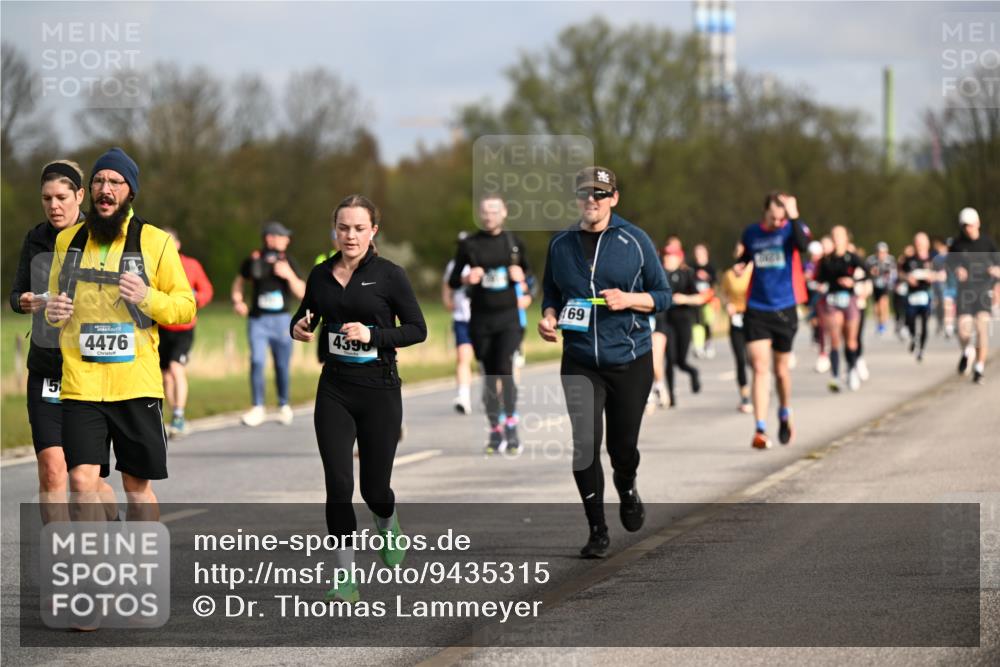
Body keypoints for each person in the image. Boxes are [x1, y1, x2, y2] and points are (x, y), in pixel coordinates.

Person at [44, 147, 195, 522]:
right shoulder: (68, 242)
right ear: (89, 191)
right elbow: (53, 312)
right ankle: (97, 571)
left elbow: (185, 306)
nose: (105, 189)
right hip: (81, 382)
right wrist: (52, 312)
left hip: (136, 384)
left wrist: (147, 296)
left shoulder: (155, 242)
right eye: (98, 181)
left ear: (130, 192)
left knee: (136, 487)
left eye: (115, 181)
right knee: (80, 482)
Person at [290, 194, 426, 602]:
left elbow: (418, 329)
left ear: (373, 232)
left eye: (359, 228)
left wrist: (374, 335)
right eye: (344, 227)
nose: (350, 235)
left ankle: (387, 521)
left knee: (374, 489)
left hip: (380, 390)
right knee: (337, 484)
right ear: (335, 229)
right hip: (334, 388)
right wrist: (298, 327)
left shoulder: (390, 275)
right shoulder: (319, 274)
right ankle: (346, 579)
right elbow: (305, 314)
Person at [538, 166, 670, 558]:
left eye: (599, 194)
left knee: (622, 447)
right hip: (580, 360)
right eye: (584, 194)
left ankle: (626, 486)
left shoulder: (634, 240)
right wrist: (547, 318)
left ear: (614, 198)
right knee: (584, 446)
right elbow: (551, 293)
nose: (591, 201)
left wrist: (629, 300)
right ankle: (597, 529)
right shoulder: (560, 244)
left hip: (629, 358)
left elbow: (663, 295)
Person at [9, 160, 119, 524]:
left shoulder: (100, 236)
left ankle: (112, 535)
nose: (53, 205)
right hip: (45, 368)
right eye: (46, 198)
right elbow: (16, 295)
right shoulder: (35, 238)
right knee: (52, 469)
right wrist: (28, 301)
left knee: (85, 478)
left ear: (79, 196)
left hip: (88, 373)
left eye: (61, 197)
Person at [448, 195, 532, 455]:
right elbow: (452, 281)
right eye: (484, 211)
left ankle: (512, 426)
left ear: (504, 212)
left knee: (505, 367)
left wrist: (524, 282)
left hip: (508, 319)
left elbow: (532, 279)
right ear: (479, 214)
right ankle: (495, 428)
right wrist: (466, 277)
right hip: (481, 320)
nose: (489, 216)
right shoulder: (469, 245)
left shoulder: (514, 243)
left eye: (494, 211)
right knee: (488, 374)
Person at [737, 191, 811, 449]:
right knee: (759, 367)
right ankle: (759, 429)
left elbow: (803, 247)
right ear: (766, 210)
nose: (779, 216)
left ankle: (784, 411)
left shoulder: (792, 229)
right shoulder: (751, 233)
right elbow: (747, 256)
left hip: (784, 308)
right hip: (757, 308)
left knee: (780, 371)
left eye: (784, 211)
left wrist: (794, 215)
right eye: (776, 210)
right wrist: (740, 264)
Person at [232, 221, 305, 426]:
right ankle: (257, 407)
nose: (287, 240)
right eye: (283, 236)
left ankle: (283, 405)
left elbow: (303, 293)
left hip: (282, 321)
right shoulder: (254, 259)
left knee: (282, 364)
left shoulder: (289, 261)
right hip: (258, 321)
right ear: (270, 238)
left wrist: (288, 275)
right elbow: (239, 281)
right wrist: (238, 300)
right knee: (257, 361)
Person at [158, 228, 213, 436]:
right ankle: (177, 416)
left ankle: (179, 416)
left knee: (175, 367)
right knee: (166, 377)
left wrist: (196, 300)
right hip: (161, 327)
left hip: (184, 327)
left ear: (178, 245)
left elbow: (207, 290)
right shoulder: (155, 266)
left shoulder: (191, 265)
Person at [948, 207, 1000, 384]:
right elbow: (949, 264)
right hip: (965, 292)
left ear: (977, 223)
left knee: (981, 329)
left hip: (983, 291)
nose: (967, 229)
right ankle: (967, 351)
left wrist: (996, 271)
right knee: (963, 331)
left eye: (970, 225)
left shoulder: (988, 243)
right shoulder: (957, 244)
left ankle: (979, 367)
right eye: (964, 226)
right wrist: (957, 269)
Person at [816, 226, 867, 391]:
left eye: (840, 235)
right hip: (832, 300)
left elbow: (868, 273)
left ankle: (851, 370)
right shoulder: (826, 259)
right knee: (835, 338)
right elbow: (819, 278)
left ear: (847, 238)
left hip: (849, 299)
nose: (837, 238)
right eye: (834, 236)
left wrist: (853, 281)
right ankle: (835, 376)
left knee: (851, 339)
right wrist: (819, 285)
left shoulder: (852, 257)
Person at [662, 244, 709, 406]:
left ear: (678, 257)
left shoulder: (687, 274)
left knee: (680, 361)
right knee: (669, 359)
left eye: (671, 256)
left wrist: (684, 299)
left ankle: (694, 373)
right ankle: (671, 396)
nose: (667, 259)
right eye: (666, 255)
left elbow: (700, 298)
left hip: (683, 320)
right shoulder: (660, 274)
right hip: (666, 321)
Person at [719, 242, 753, 413]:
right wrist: (728, 305)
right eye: (738, 252)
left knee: (752, 359)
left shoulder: (754, 272)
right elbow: (723, 295)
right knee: (740, 358)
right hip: (736, 319)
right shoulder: (728, 275)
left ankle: (762, 383)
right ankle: (745, 396)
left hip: (754, 318)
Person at [442, 234, 474, 414]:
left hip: (484, 320)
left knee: (490, 363)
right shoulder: (453, 265)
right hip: (462, 318)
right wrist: (447, 300)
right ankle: (463, 396)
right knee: (463, 357)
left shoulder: (483, 261)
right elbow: (447, 285)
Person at [899, 232, 940, 362]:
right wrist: (907, 278)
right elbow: (900, 273)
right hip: (912, 295)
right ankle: (913, 337)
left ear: (927, 244)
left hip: (926, 295)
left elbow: (942, 274)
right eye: (917, 243)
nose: (920, 245)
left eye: (922, 243)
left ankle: (921, 349)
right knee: (910, 320)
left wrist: (932, 277)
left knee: (924, 323)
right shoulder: (910, 259)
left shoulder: (934, 259)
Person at [691, 243, 718, 359]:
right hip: (696, 300)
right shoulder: (692, 267)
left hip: (708, 300)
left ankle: (709, 344)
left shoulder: (711, 267)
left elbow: (715, 283)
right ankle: (698, 346)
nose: (699, 255)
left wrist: (707, 277)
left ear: (706, 253)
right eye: (697, 253)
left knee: (708, 322)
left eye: (701, 252)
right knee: (697, 323)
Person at [865, 242, 896, 338]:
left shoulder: (890, 260)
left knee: (884, 303)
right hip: (874, 285)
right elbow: (865, 272)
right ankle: (878, 323)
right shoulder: (871, 260)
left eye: (883, 252)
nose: (881, 255)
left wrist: (891, 283)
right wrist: (871, 273)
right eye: (879, 252)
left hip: (885, 285)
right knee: (876, 306)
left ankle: (883, 324)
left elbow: (894, 274)